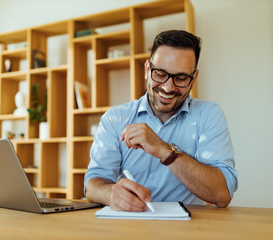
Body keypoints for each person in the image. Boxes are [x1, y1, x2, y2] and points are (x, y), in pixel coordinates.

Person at [84, 30, 238, 211]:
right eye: (160, 74)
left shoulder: (209, 115)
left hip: (190, 229)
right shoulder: (115, 118)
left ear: (193, 79)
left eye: (181, 78)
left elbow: (222, 195)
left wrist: (165, 151)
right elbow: (92, 184)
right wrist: (111, 194)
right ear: (147, 69)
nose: (168, 87)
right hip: (130, 226)